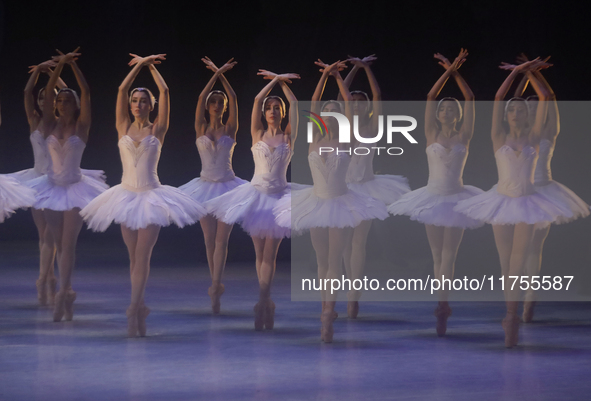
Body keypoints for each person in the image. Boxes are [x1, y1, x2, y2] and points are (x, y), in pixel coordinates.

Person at [80, 54, 207, 337]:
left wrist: (150, 66)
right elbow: (121, 90)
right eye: (135, 101)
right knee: (133, 258)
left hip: (151, 196)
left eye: (144, 101)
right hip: (125, 195)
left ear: (152, 106)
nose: (138, 104)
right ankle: (139, 307)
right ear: (130, 105)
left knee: (143, 255)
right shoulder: (122, 126)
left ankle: (134, 308)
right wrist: (138, 66)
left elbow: (165, 90)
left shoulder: (157, 129)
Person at [454, 58, 573, 347]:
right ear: (508, 115)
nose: (518, 112)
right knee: (506, 262)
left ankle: (512, 316)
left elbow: (545, 97)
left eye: (522, 109)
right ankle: (513, 308)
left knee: (519, 260)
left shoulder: (535, 136)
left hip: (530, 200)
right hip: (502, 200)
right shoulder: (498, 136)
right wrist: (518, 74)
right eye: (514, 109)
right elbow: (498, 99)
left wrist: (530, 72)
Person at [275, 60, 388, 342]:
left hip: (340, 203)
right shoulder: (314, 137)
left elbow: (348, 103)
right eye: (326, 112)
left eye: (334, 112)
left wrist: (338, 77)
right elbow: (314, 101)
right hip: (316, 203)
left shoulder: (348, 138)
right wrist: (325, 74)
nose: (329, 114)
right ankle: (326, 305)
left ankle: (329, 312)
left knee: (336, 260)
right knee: (323, 261)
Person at [388, 49, 483, 336]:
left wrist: (458, 74)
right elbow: (430, 97)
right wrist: (448, 72)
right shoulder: (430, 133)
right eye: (444, 109)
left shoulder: (464, 134)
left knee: (449, 255)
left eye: (451, 109)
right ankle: (440, 304)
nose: (446, 111)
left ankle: (444, 304)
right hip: (431, 197)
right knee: (436, 254)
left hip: (456, 197)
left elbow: (471, 99)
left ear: (458, 115)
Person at [206, 69, 299, 331]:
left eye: (276, 108)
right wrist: (274, 81)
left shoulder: (289, 136)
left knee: (270, 253)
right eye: (269, 108)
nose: (271, 110)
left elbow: (294, 104)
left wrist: (282, 83)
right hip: (256, 197)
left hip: (280, 197)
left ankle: (262, 300)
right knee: (260, 254)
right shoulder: (256, 133)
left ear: (281, 113)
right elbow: (256, 101)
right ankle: (266, 302)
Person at [12, 59, 105, 306]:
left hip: (72, 186)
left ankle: (61, 287)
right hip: (46, 184)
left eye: (65, 100)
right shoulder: (45, 123)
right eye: (57, 100)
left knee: (62, 242)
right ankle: (49, 282)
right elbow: (32, 94)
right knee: (48, 238)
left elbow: (81, 93)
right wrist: (50, 72)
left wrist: (64, 67)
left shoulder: (80, 124)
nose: (60, 103)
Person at [179, 57, 246, 314]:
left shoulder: (231, 127)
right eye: (214, 102)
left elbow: (234, 98)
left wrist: (222, 75)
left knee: (222, 240)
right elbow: (199, 99)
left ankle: (216, 286)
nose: (217, 105)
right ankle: (214, 283)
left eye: (221, 103)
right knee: (209, 239)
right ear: (208, 107)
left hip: (228, 186)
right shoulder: (200, 126)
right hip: (204, 186)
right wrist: (214, 76)